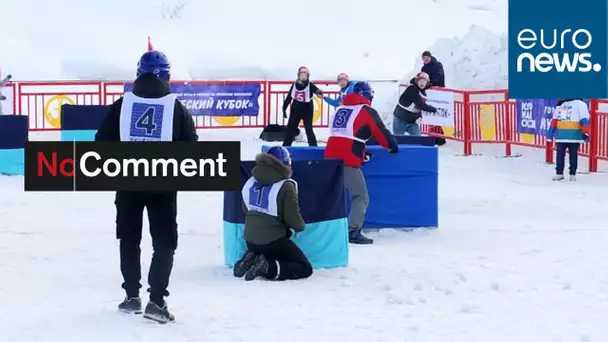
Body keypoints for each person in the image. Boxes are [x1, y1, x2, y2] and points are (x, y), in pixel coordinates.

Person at [95, 50, 198, 323]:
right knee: (164, 242)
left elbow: (101, 143)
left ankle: (131, 297)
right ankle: (157, 301)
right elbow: (192, 149)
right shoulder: (176, 108)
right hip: (163, 185)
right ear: (166, 75)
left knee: (129, 239)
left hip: (127, 183)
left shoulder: (121, 106)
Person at [324, 81, 398, 244]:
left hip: (330, 156)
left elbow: (349, 134)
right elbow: (380, 132)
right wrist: (392, 146)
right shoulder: (366, 110)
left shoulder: (341, 109)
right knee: (361, 196)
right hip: (348, 158)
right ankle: (352, 230)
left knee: (333, 195)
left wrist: (362, 152)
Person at [233, 146, 313, 281]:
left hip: (250, 238)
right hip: (273, 240)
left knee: (269, 251)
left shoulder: (251, 181)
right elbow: (293, 219)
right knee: (304, 268)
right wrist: (301, 227)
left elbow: (245, 208)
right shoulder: (286, 186)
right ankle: (267, 267)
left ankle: (252, 256)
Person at [546, 99, 590, 181]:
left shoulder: (580, 104)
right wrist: (550, 133)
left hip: (574, 135)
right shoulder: (561, 104)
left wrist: (585, 131)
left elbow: (585, 119)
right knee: (559, 155)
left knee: (573, 155)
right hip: (561, 135)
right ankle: (559, 173)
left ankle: (572, 173)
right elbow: (555, 120)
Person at [282, 66, 324, 146]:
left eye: (305, 75)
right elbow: (289, 97)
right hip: (296, 108)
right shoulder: (294, 85)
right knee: (290, 128)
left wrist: (319, 92)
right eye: (302, 75)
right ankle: (286, 147)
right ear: (299, 76)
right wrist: (284, 108)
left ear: (308, 76)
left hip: (307, 109)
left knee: (308, 129)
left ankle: (313, 147)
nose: (303, 77)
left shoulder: (310, 85)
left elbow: (316, 90)